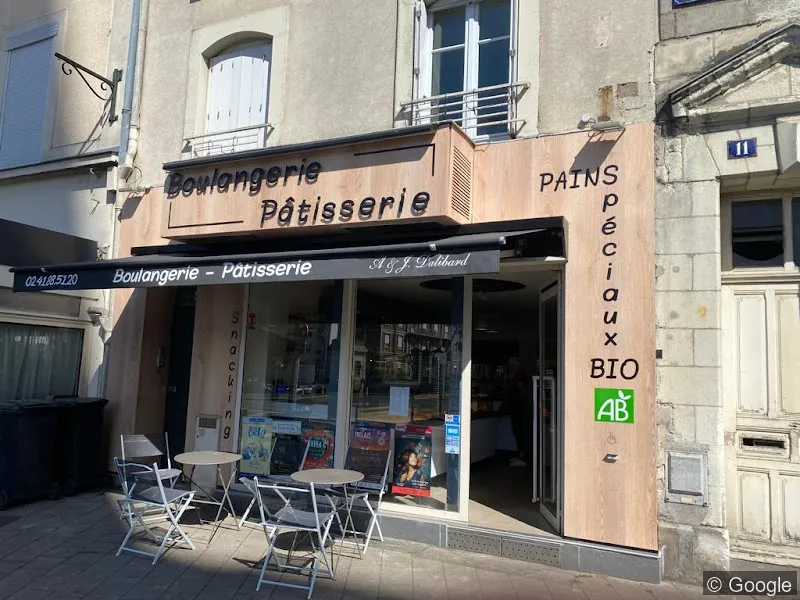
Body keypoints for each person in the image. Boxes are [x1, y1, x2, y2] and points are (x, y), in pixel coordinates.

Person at [506, 356, 532, 467]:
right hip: (518, 408)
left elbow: (522, 393)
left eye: (512, 365)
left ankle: (523, 457)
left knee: (520, 432)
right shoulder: (518, 377)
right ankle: (522, 455)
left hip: (520, 409)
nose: (510, 368)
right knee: (518, 432)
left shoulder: (519, 377)